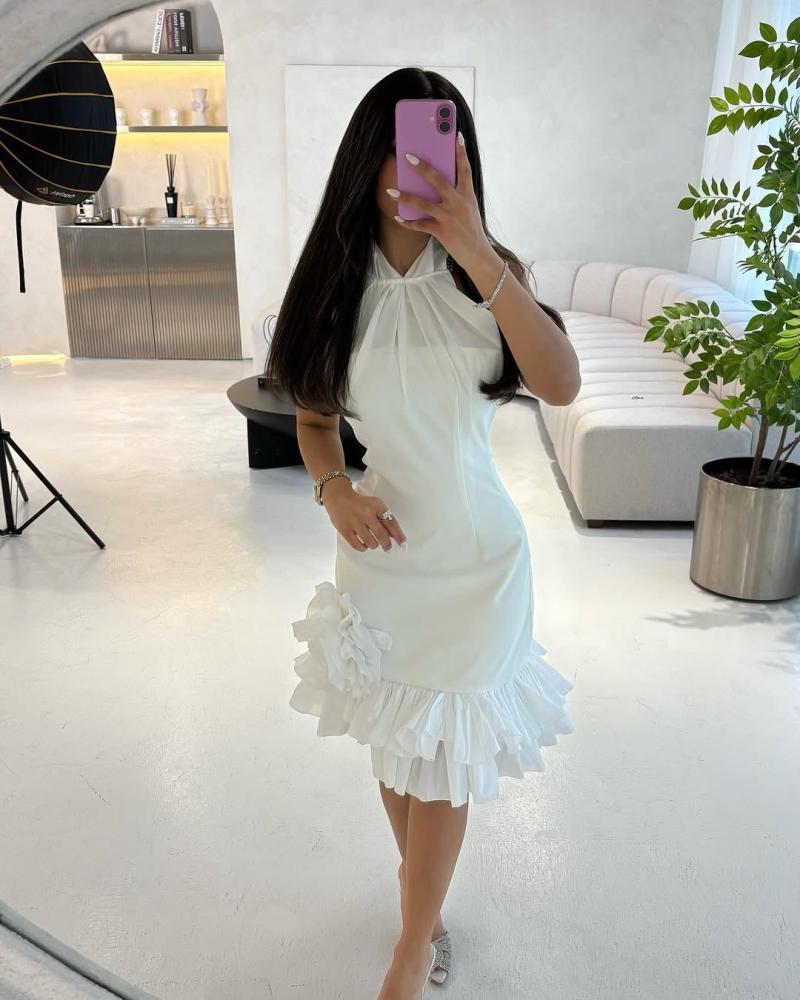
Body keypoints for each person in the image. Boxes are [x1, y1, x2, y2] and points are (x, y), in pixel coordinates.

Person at [266, 67, 580, 1000]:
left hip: (477, 563)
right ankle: (423, 907)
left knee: (441, 761)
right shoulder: (333, 286)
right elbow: (314, 420)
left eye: (443, 147)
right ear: (368, 160)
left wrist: (477, 250)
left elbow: (560, 385)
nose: (423, 168)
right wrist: (335, 492)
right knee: (399, 750)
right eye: (403, 149)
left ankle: (409, 953)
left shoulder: (488, 275)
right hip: (380, 558)